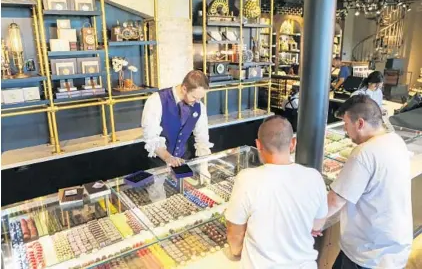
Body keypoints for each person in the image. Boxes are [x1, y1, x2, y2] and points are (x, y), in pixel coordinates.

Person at [225, 115, 328, 269]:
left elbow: (235, 235)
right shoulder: (314, 177)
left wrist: (236, 251)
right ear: (293, 143)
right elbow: (318, 224)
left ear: (258, 145)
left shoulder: (247, 179)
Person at [326, 95, 412, 269]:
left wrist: (313, 223)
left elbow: (335, 201)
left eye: (346, 124)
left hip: (367, 252)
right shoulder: (395, 140)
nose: (345, 130)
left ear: (360, 124)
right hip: (393, 248)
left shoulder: (364, 153)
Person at [141, 70, 213, 167]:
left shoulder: (200, 106)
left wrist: (204, 167)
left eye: (200, 98)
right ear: (184, 89)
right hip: (159, 164)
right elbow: (151, 138)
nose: (197, 101)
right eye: (194, 97)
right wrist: (168, 158)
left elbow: (202, 139)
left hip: (183, 161)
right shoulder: (156, 100)